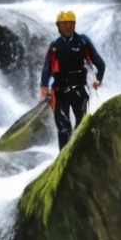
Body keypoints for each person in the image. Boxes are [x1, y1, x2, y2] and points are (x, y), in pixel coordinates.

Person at [39, 9, 106, 149]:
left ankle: (80, 152)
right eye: (65, 24)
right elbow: (47, 68)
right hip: (60, 90)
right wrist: (44, 86)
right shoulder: (55, 46)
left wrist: (99, 79)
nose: (68, 26)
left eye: (71, 23)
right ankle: (63, 158)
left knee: (82, 124)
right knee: (63, 128)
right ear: (59, 26)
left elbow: (100, 63)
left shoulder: (83, 41)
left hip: (79, 89)